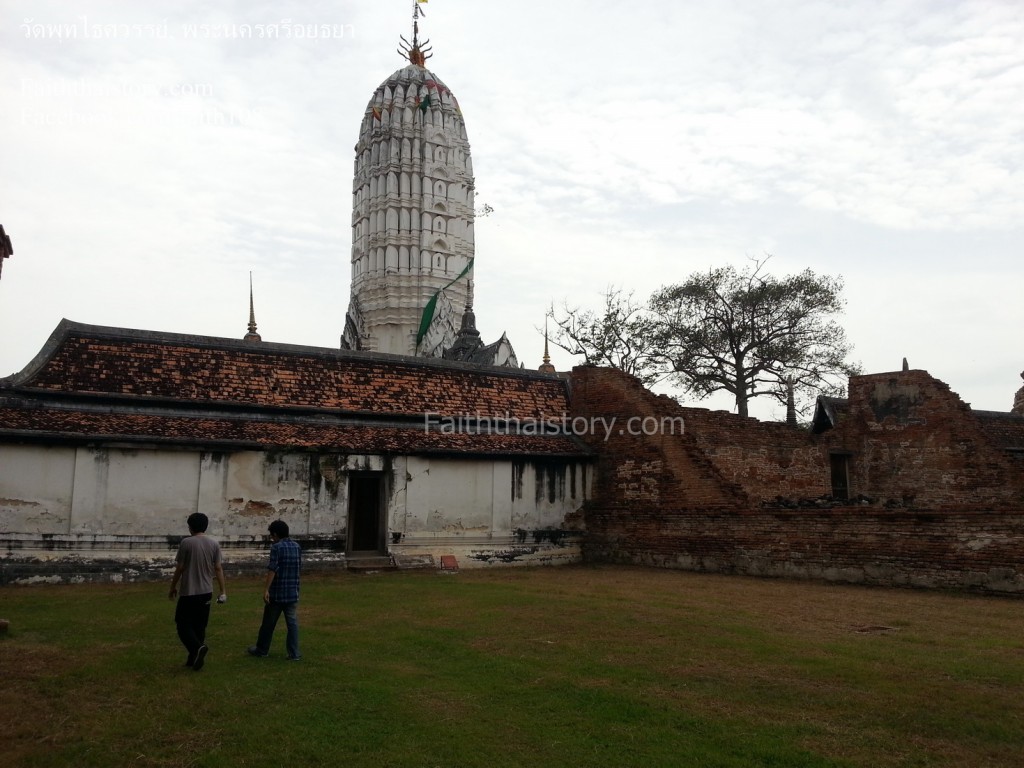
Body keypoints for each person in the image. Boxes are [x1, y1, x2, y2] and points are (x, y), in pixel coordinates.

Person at [169, 512, 227, 672]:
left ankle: (197, 648)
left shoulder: (186, 543)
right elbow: (218, 568)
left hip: (189, 591)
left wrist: (172, 586)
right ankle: (192, 658)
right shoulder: (214, 544)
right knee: (199, 626)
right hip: (206, 590)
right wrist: (222, 591)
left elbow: (180, 567)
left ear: (190, 527)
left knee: (182, 625)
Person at [247, 519, 301, 660]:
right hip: (292, 592)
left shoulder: (277, 547)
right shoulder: (297, 546)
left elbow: (273, 569)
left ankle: (262, 649)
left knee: (268, 624)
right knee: (292, 624)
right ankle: (294, 653)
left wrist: (266, 589)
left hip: (277, 592)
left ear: (275, 534)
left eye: (272, 535)